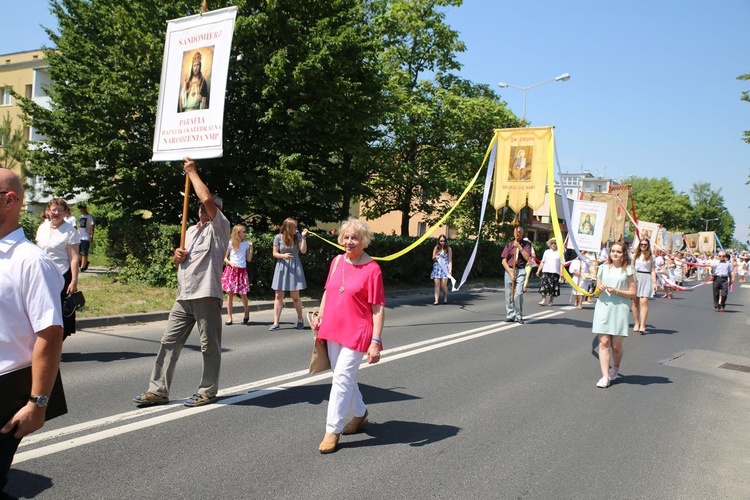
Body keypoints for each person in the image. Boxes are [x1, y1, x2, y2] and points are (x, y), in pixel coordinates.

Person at [133, 158, 230, 408]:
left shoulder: (220, 227)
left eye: (207, 207)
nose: (202, 209)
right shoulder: (188, 231)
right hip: (184, 296)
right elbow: (182, 262)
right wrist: (177, 258)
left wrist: (192, 172)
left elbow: (208, 200)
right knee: (168, 342)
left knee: (209, 346)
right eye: (199, 207)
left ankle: (207, 390)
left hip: (206, 294)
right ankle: (158, 390)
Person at [0, 168, 65, 495]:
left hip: (5, 387)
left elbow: (50, 335)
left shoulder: (31, 262)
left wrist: (38, 403)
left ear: (10, 200)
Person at [310, 218, 385, 454]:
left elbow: (378, 308)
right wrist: (319, 317)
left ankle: (332, 430)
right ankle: (361, 413)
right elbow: (328, 293)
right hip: (333, 328)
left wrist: (376, 341)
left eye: (355, 238)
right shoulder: (335, 262)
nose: (349, 241)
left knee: (341, 377)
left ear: (364, 241)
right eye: (346, 237)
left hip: (357, 331)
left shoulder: (372, 269)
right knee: (343, 376)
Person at [592, 242, 636, 388]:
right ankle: (605, 376)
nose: (615, 254)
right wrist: (600, 288)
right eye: (613, 251)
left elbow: (633, 293)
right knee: (604, 343)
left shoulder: (629, 270)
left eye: (618, 251)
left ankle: (615, 367)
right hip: (603, 308)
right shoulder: (603, 268)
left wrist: (617, 291)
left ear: (624, 254)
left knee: (616, 346)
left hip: (619, 309)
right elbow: (595, 293)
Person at [35, 198, 81, 340]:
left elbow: (74, 258)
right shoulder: (43, 227)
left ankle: (57, 342)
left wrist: (74, 280)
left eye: (60, 210)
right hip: (42, 273)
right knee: (41, 309)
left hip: (61, 274)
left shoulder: (70, 231)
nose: (56, 213)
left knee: (59, 310)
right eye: (53, 210)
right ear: (48, 212)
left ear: (65, 213)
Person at [270, 218, 308, 331]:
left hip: (294, 266)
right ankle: (276, 322)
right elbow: (275, 253)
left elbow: (303, 251)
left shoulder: (297, 236)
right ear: (288, 227)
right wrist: (283, 256)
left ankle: (300, 319)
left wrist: (303, 237)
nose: (296, 229)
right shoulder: (278, 237)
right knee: (278, 296)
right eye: (294, 227)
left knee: (295, 297)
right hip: (282, 266)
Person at [222, 224, 252, 325]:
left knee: (243, 294)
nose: (245, 233)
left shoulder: (245, 244)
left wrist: (251, 248)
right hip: (232, 270)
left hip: (242, 271)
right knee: (230, 294)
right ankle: (229, 317)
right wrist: (230, 263)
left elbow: (249, 259)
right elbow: (224, 257)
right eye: (243, 231)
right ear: (237, 233)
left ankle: (246, 311)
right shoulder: (230, 243)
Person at [501, 226, 532, 324]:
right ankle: (510, 315)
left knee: (518, 293)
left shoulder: (526, 244)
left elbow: (527, 257)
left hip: (520, 270)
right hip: (510, 270)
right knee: (509, 294)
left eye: (519, 232)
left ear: (523, 234)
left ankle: (519, 315)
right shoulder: (509, 245)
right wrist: (510, 273)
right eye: (516, 232)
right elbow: (503, 261)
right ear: (513, 233)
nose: (517, 234)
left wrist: (519, 247)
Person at [631, 238, 657, 334]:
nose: (643, 246)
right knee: (635, 302)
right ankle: (636, 322)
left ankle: (643, 324)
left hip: (646, 277)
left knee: (644, 302)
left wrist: (654, 282)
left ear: (648, 245)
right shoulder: (635, 255)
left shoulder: (651, 256)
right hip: (636, 277)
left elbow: (653, 270)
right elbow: (631, 267)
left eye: (645, 244)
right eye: (641, 244)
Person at [536, 237, 561, 306]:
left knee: (553, 288)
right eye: (552, 243)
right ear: (550, 244)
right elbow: (542, 262)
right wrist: (538, 271)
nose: (553, 244)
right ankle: (543, 300)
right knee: (544, 286)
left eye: (555, 243)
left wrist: (562, 273)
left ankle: (551, 301)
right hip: (546, 271)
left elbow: (561, 264)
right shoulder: (546, 252)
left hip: (555, 272)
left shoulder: (559, 253)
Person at [430, 235, 453, 304]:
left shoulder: (448, 249)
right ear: (439, 241)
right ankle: (436, 300)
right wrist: (435, 257)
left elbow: (450, 260)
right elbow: (433, 258)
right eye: (441, 241)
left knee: (443, 285)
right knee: (437, 284)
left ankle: (445, 296)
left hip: (445, 268)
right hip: (437, 268)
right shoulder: (436, 248)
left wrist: (450, 270)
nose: (442, 242)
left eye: (444, 241)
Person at [77, 204, 95, 272]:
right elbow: (79, 226)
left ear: (85, 208)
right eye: (80, 210)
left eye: (82, 209)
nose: (81, 211)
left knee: (84, 252)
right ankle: (85, 262)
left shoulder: (90, 217)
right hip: (80, 236)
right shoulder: (81, 216)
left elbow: (92, 227)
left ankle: (82, 267)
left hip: (86, 236)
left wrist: (91, 236)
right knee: (77, 251)